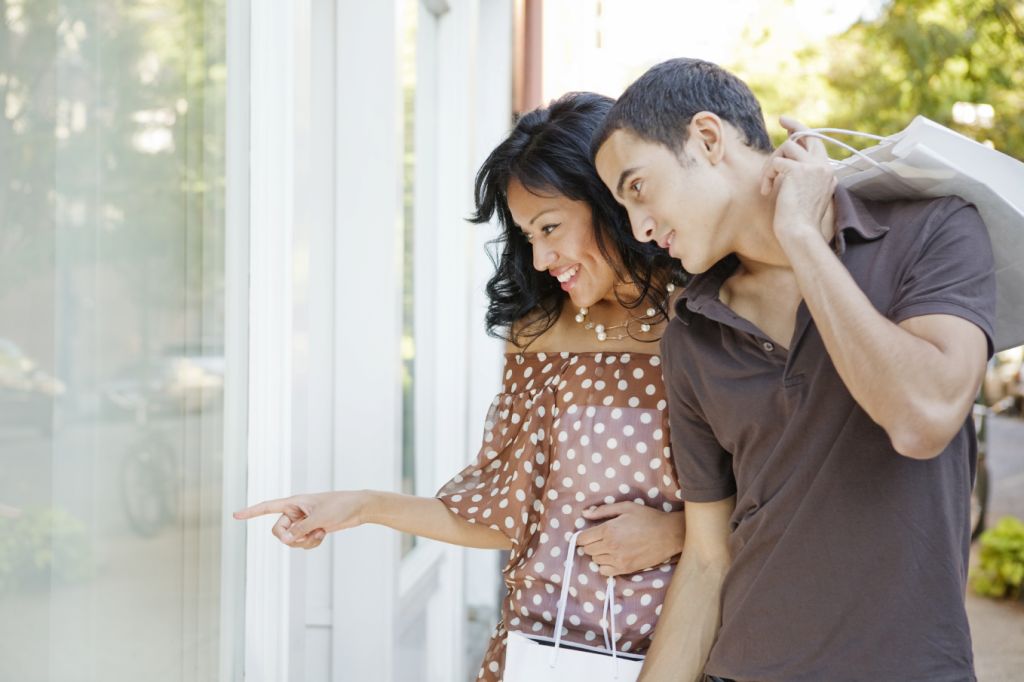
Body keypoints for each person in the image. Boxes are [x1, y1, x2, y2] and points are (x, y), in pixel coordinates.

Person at [235, 92, 690, 681]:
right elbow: (504, 513)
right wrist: (362, 506)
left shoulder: (702, 315)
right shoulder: (539, 331)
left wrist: (676, 533)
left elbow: (783, 496)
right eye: (528, 236)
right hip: (536, 650)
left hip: (679, 652)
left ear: (609, 201)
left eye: (551, 227)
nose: (543, 256)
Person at [592, 58, 996, 682]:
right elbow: (705, 560)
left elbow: (924, 417)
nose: (640, 228)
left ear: (707, 138)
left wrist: (802, 238)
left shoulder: (933, 231)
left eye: (638, 187)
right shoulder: (691, 334)